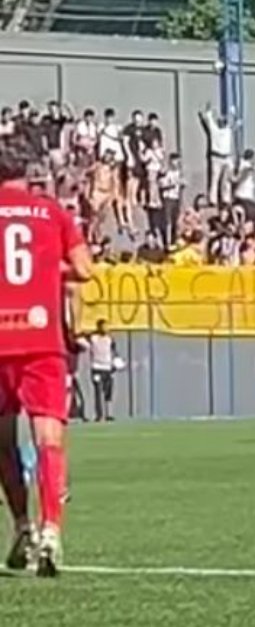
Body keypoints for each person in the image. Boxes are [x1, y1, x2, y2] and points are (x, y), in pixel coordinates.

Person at [0, 142, 93, 577]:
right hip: (42, 339)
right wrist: (48, 268)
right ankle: (52, 528)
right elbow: (85, 269)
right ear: (28, 174)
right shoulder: (51, 212)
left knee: (2, 442)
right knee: (48, 439)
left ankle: (21, 526)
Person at [80, 319, 119, 422]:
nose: (106, 329)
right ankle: (99, 414)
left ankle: (109, 413)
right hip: (97, 368)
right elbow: (81, 336)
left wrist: (115, 364)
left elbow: (114, 352)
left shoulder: (110, 338)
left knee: (108, 391)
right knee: (98, 391)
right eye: (104, 326)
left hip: (107, 368)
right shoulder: (93, 337)